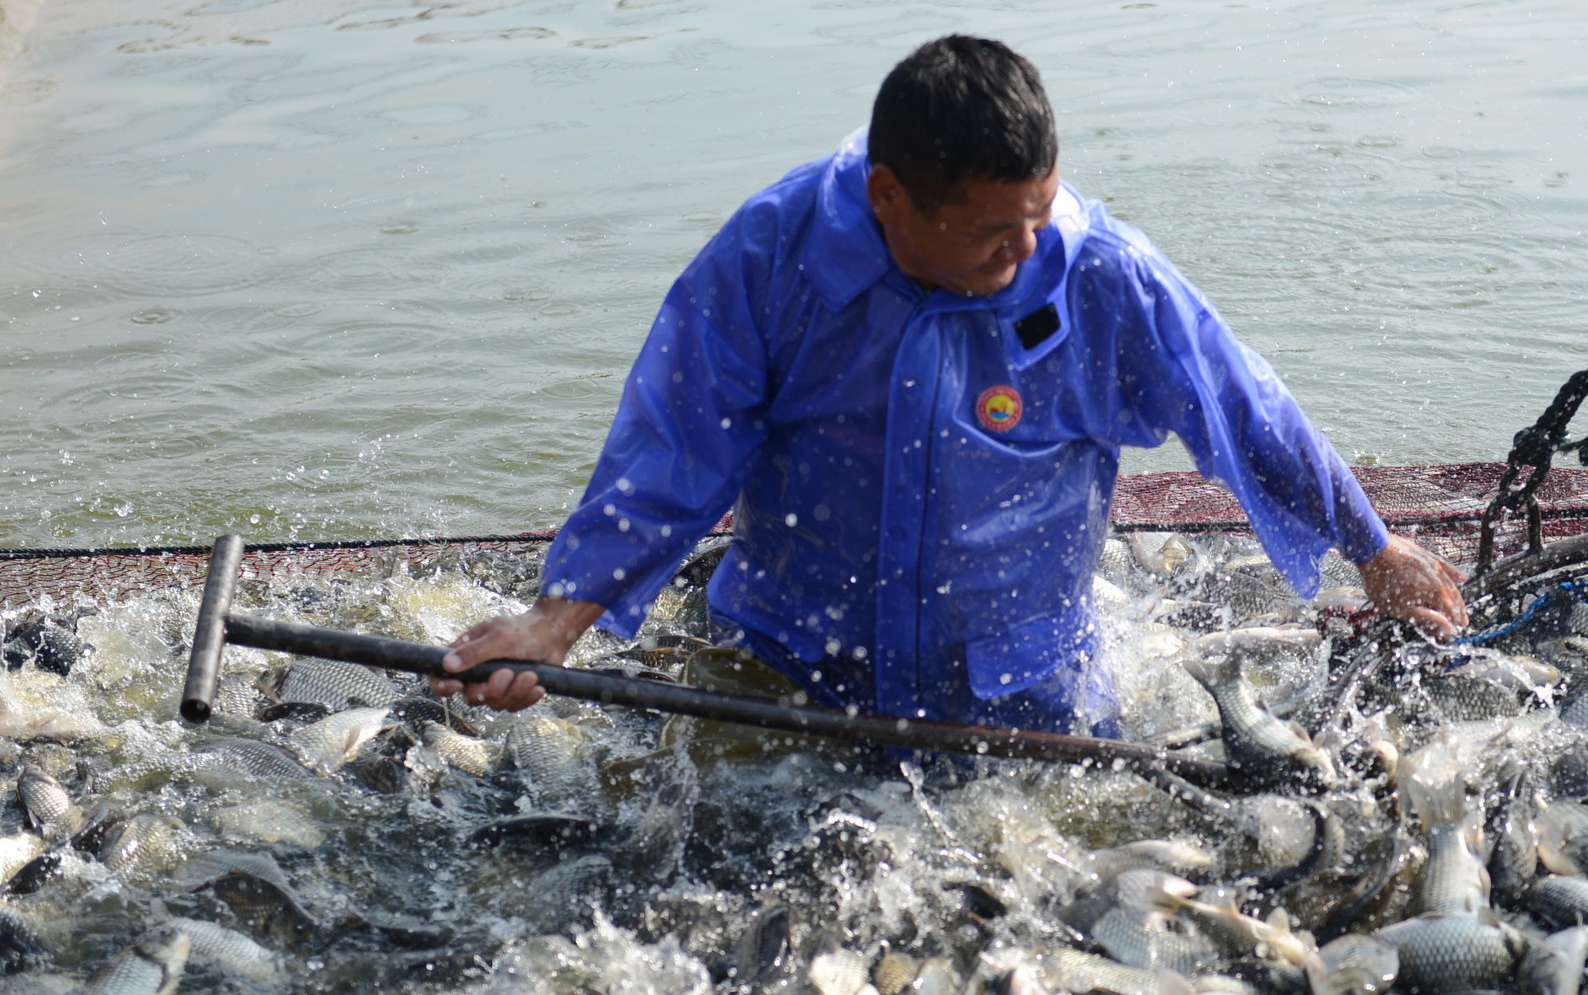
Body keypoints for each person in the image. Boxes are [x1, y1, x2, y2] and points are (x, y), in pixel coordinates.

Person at [434, 35, 1465, 730]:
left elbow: (1242, 407)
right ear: (889, 197)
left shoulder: (1099, 268)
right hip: (789, 668)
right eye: (987, 232)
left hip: (1022, 690)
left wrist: (1371, 549)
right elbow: (672, 448)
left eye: (1038, 214)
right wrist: (557, 621)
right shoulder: (771, 256)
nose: (1024, 252)